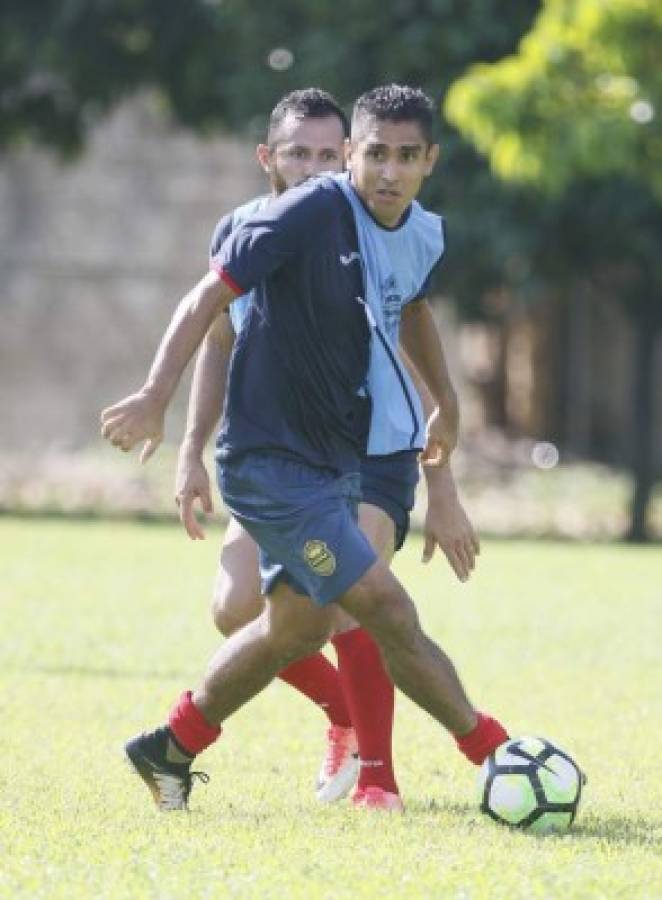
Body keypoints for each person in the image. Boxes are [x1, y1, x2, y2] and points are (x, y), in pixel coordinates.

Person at [101, 84, 509, 814]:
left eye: (405, 156)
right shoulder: (306, 213)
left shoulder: (417, 233)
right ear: (352, 154)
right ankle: (497, 754)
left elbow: (411, 307)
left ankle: (169, 746)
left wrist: (445, 404)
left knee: (294, 627)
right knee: (382, 603)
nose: (388, 171)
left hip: (338, 463)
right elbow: (208, 302)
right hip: (272, 466)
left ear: (430, 162)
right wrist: (157, 399)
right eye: (373, 154)